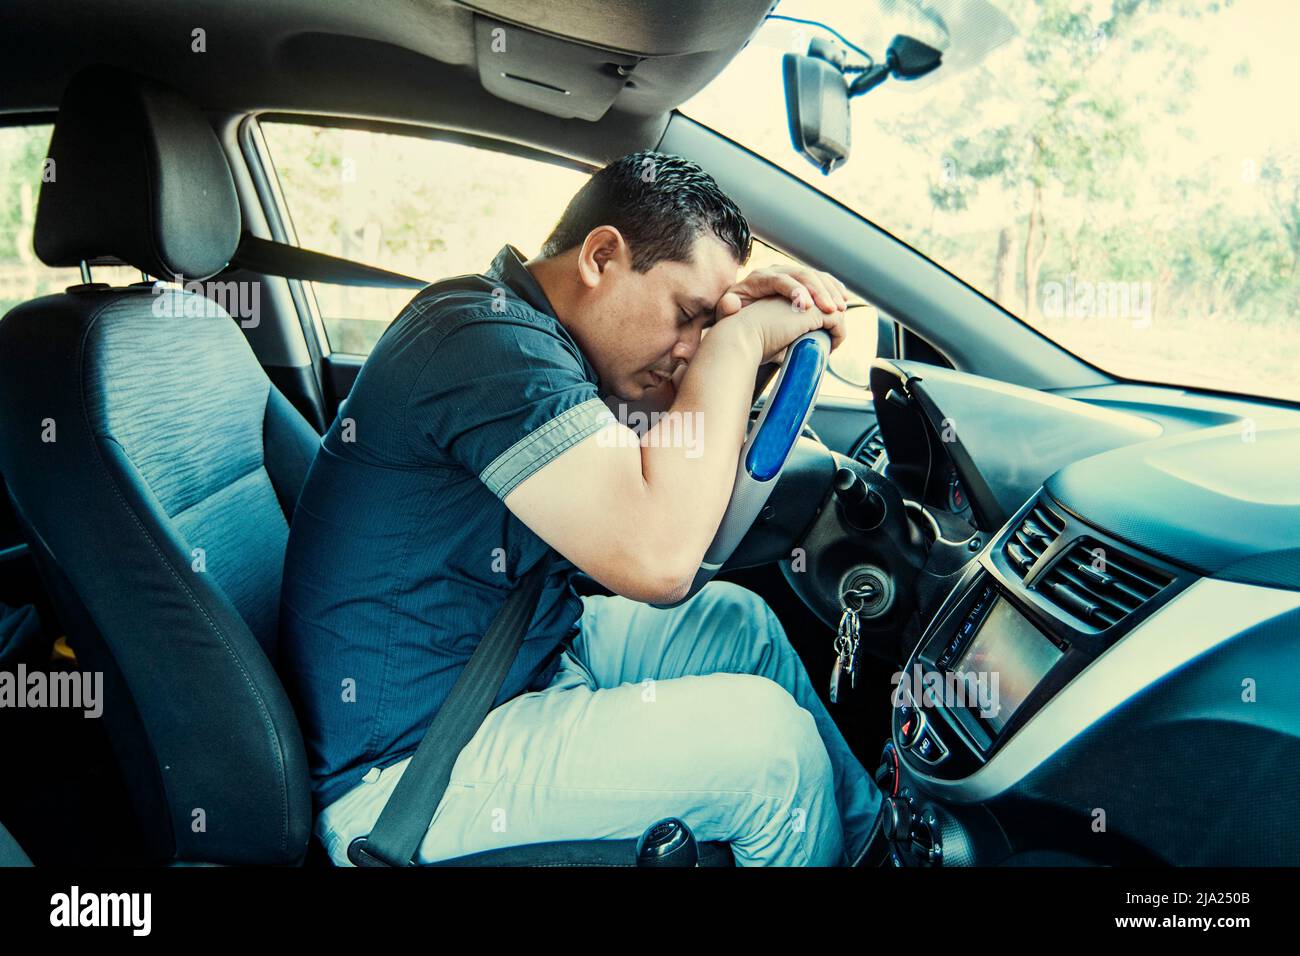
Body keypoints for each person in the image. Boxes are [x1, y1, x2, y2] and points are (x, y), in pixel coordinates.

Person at [278, 150, 883, 866]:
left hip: (513, 661)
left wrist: (744, 351)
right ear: (601, 257)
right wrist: (739, 340)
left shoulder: (539, 342)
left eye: (708, 325)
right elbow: (658, 560)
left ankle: (871, 847)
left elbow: (671, 451)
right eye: (688, 315)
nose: (693, 350)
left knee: (736, 624)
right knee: (770, 751)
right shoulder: (483, 343)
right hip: (409, 768)